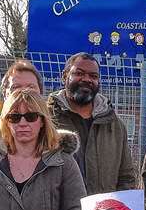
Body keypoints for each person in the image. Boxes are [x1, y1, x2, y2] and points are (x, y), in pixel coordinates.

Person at [47, 52, 139, 196]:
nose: (86, 79)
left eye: (93, 76)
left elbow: (126, 177)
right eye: (79, 73)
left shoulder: (115, 126)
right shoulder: (46, 119)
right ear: (65, 76)